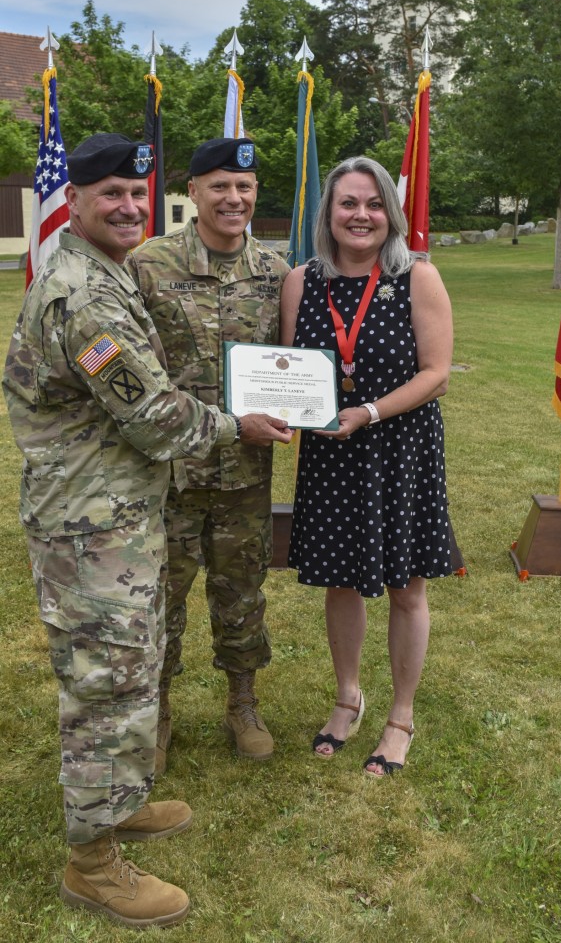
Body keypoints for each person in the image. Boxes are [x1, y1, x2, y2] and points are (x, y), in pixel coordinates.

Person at [2, 133, 291, 929]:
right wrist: (243, 428)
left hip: (115, 513)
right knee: (107, 684)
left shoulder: (103, 270)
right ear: (78, 203)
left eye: (138, 194)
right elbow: (160, 418)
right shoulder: (86, 298)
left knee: (128, 669)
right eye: (111, 196)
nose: (129, 207)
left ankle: (118, 805)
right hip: (93, 528)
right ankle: (92, 863)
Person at [280, 156, 453, 777]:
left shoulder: (417, 277)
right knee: (340, 580)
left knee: (408, 587)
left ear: (391, 213)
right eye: (348, 203)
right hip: (331, 454)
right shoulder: (301, 281)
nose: (361, 215)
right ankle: (347, 697)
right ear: (328, 212)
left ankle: (400, 717)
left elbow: (435, 375)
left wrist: (370, 412)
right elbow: (288, 372)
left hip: (398, 449)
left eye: (374, 203)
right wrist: (278, 411)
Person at [127, 136, 289, 768]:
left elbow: (295, 363)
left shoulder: (275, 272)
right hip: (167, 470)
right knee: (160, 595)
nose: (234, 198)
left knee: (242, 590)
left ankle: (242, 704)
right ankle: (158, 712)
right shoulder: (149, 264)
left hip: (245, 474)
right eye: (220, 186)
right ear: (191, 191)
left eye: (245, 187)